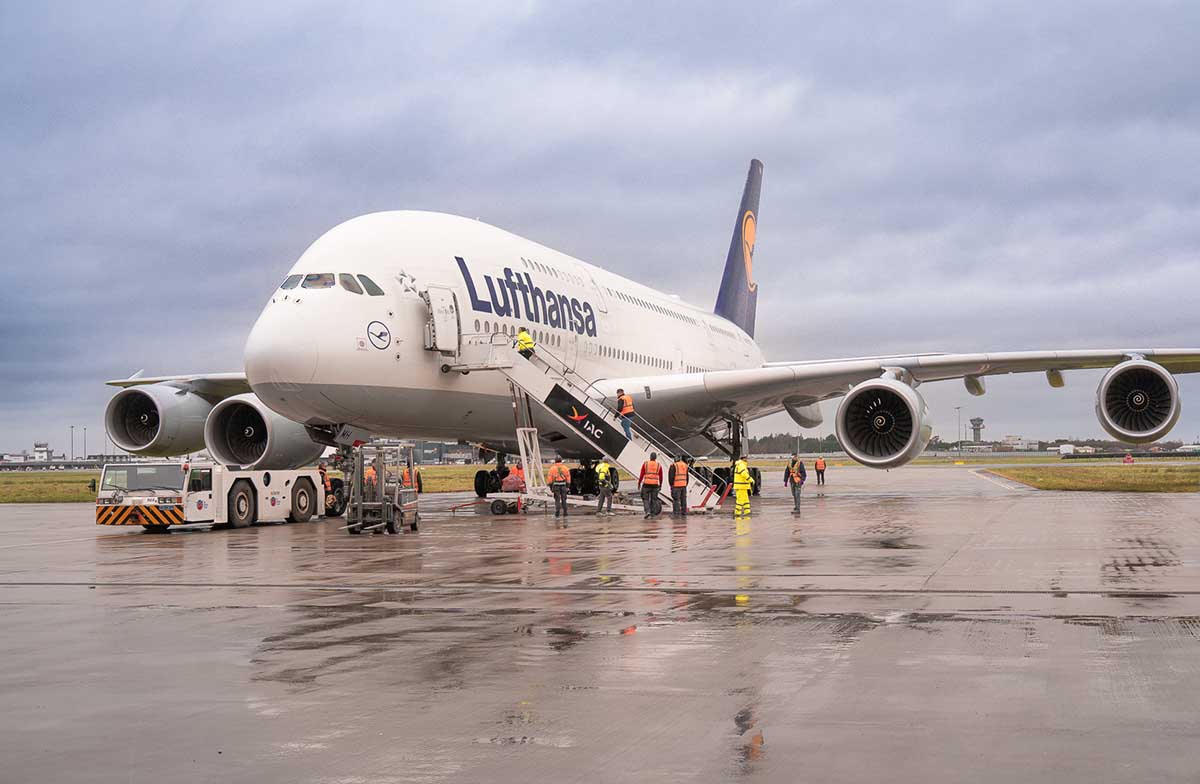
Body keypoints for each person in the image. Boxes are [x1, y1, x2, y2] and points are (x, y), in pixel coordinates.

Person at [639, 451, 664, 519]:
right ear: (655, 458)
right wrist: (660, 484)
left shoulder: (646, 464)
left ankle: (647, 511)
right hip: (655, 485)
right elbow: (661, 476)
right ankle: (652, 513)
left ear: (650, 457)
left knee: (645, 498)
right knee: (654, 499)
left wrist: (639, 483)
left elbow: (642, 474)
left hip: (646, 484)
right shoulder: (659, 465)